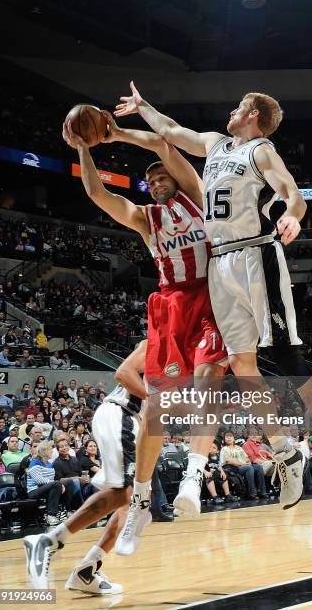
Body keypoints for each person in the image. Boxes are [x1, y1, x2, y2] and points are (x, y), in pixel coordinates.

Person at [115, 81, 312, 516]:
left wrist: (292, 214)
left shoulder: (260, 150)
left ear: (252, 116)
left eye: (238, 107)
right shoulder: (214, 145)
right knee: (243, 363)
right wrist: (141, 109)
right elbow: (170, 131)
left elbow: (292, 192)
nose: (230, 111)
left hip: (256, 256)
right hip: (220, 265)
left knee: (288, 358)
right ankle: (287, 453)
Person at [62, 113, 227, 553]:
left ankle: (193, 475)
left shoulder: (196, 195)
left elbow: (164, 146)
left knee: (211, 379)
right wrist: (83, 146)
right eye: (150, 181)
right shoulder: (145, 218)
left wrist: (117, 133)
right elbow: (97, 193)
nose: (156, 182)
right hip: (171, 303)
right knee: (156, 405)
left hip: (211, 294)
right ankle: (141, 497)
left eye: (160, 177)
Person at [24, 341, 146, 594]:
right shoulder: (159, 340)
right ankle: (48, 541)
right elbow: (123, 372)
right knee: (128, 494)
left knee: (133, 504)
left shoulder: (191, 365)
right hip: (122, 413)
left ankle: (87, 570)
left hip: (138, 425)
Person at [26, 440, 65, 526]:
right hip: (34, 491)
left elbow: (50, 481)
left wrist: (58, 484)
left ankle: (67, 511)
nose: (52, 451)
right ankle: (51, 515)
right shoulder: (34, 462)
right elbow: (39, 480)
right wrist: (56, 483)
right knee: (57, 484)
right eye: (50, 449)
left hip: (46, 489)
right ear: (44, 451)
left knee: (67, 484)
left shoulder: (50, 464)